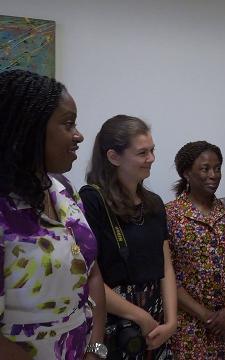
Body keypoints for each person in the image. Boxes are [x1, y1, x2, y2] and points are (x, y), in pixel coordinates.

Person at [0, 69, 107, 359]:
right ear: (28, 128)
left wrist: (96, 348)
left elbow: (92, 271)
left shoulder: (61, 188)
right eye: (67, 124)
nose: (79, 135)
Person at [79, 115, 177, 359]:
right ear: (113, 157)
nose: (152, 159)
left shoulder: (154, 204)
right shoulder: (91, 201)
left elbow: (165, 265)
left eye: (152, 150)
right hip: (113, 321)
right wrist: (140, 316)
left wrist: (171, 322)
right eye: (143, 153)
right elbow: (87, 276)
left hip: (157, 319)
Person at [165, 141, 225, 359]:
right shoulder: (170, 214)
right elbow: (167, 274)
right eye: (205, 169)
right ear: (186, 173)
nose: (213, 175)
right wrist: (206, 315)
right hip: (190, 327)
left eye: (217, 168)